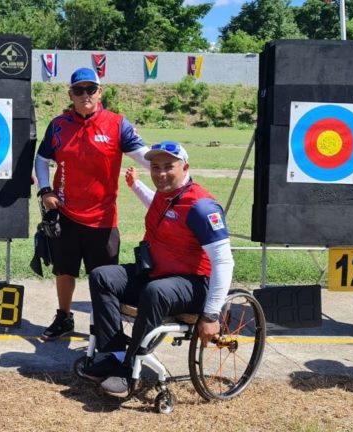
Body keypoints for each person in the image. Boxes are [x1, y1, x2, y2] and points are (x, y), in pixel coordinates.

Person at [81, 141, 235, 397]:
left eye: (168, 167)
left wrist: (211, 315)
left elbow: (224, 261)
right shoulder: (167, 196)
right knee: (102, 275)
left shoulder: (202, 207)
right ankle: (115, 354)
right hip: (158, 275)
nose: (161, 173)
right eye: (155, 167)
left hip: (195, 284)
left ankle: (129, 370)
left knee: (156, 291)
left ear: (185, 167)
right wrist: (135, 185)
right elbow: (158, 205)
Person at [34, 67, 151, 341]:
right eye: (79, 90)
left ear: (100, 92)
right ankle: (64, 317)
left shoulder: (118, 124)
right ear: (70, 94)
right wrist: (45, 190)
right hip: (65, 214)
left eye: (90, 89)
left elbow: (146, 157)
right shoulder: (58, 125)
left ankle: (104, 328)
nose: (85, 95)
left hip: (103, 219)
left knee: (105, 279)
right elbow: (42, 160)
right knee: (64, 270)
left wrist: (172, 166)